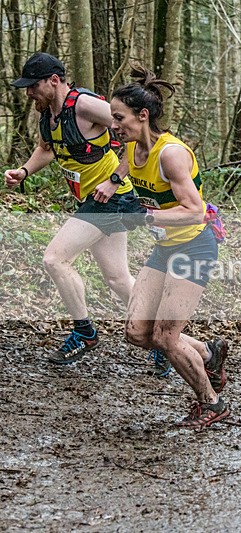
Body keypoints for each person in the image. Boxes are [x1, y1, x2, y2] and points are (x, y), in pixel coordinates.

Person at [3, 52, 147, 366]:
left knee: (55, 259)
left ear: (53, 80)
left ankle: (84, 332)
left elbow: (138, 133)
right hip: (95, 202)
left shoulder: (85, 105)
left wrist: (113, 178)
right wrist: (24, 171)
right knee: (119, 280)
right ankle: (161, 338)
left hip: (113, 198)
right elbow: (46, 149)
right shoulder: (48, 113)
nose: (28, 93)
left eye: (33, 86)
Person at [110, 65, 229, 428]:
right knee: (136, 332)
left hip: (195, 247)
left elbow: (195, 212)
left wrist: (146, 218)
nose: (114, 125)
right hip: (165, 249)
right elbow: (128, 166)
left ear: (143, 116)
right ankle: (209, 352)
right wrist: (115, 184)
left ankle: (211, 402)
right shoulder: (133, 146)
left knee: (164, 336)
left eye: (120, 118)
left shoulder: (171, 154)